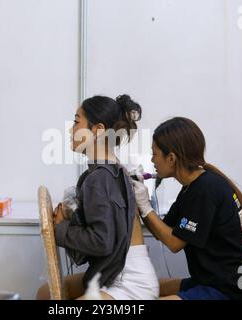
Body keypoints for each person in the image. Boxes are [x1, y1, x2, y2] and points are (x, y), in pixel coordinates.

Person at [36, 95, 159, 300]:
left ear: (98, 129)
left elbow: (102, 242)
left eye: (76, 122)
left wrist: (60, 229)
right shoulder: (105, 171)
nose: (70, 130)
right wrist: (71, 217)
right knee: (45, 294)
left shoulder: (100, 177)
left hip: (128, 282)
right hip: (114, 273)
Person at [132, 117, 242, 300]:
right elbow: (161, 232)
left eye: (154, 154)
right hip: (217, 280)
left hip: (232, 289)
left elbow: (174, 243)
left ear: (171, 158)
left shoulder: (204, 189)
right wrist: (141, 205)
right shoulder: (192, 187)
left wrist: (144, 206)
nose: (152, 159)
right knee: (145, 287)